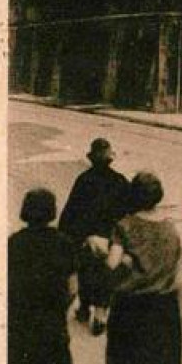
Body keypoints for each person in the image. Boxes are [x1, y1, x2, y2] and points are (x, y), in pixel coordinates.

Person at [105, 172, 182, 364]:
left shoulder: (125, 226)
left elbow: (112, 265)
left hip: (132, 310)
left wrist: (122, 261)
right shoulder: (171, 229)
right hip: (165, 311)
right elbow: (176, 268)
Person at [59, 138, 129, 336]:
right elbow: (129, 211)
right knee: (107, 274)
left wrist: (67, 235)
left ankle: (84, 307)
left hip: (87, 238)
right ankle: (101, 312)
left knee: (87, 271)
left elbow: (70, 212)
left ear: (91, 159)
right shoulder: (120, 181)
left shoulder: (84, 180)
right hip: (111, 239)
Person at [8, 188, 76, 364]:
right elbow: (72, 288)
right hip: (52, 319)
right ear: (52, 212)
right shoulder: (64, 243)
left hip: (21, 320)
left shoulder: (13, 243)